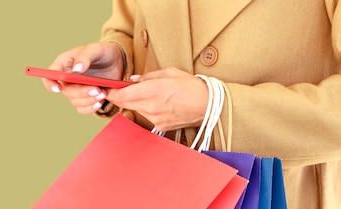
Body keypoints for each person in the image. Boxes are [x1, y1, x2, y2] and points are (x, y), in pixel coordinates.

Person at [41, 0, 341, 208]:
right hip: (151, 177)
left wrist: (218, 106)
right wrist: (120, 61)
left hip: (280, 187)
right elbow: (132, 24)